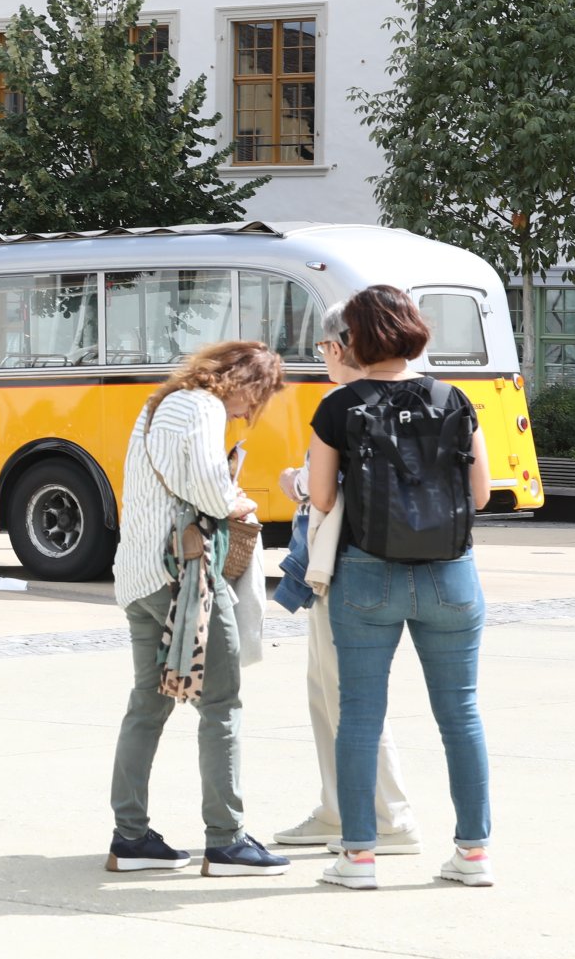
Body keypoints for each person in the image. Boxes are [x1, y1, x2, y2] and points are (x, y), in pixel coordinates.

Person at [308, 285, 494, 890]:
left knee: (360, 715)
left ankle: (359, 857)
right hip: (451, 574)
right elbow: (482, 492)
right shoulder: (453, 398)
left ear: (354, 339)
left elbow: (322, 496)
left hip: (367, 573)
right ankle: (473, 854)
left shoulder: (340, 406)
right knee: (460, 713)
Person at [107, 340, 291, 878]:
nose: (247, 414)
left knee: (146, 706)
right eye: (255, 400)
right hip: (185, 580)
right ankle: (227, 842)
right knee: (222, 704)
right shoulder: (206, 408)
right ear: (245, 382)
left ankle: (130, 837)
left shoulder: (159, 404)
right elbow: (212, 495)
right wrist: (240, 499)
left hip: (138, 576)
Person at [273, 303, 421, 855]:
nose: (324, 357)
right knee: (330, 692)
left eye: (323, 347)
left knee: (347, 697)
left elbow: (322, 490)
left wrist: (295, 481)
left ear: (340, 346)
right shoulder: (428, 395)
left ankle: (387, 817)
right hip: (408, 563)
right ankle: (340, 808)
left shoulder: (341, 404)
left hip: (346, 568)